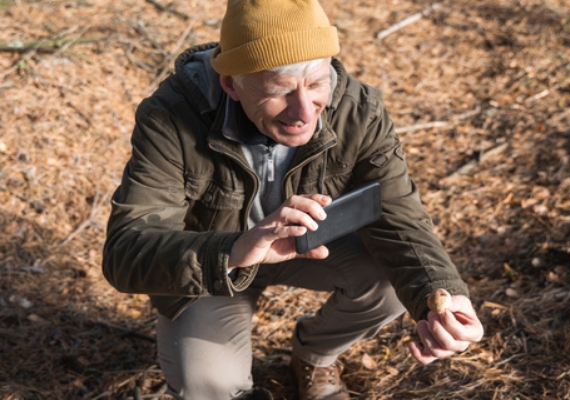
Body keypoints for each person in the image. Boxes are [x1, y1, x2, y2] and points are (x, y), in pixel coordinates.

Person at [102, 0, 484, 399]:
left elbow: (400, 218)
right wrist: (235, 248)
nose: (303, 111)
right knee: (206, 382)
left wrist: (441, 296)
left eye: (317, 83)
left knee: (392, 282)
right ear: (231, 83)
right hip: (219, 264)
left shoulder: (358, 109)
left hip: (312, 249)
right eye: (280, 90)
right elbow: (125, 252)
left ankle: (315, 355)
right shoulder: (171, 117)